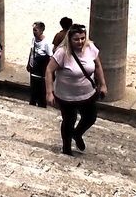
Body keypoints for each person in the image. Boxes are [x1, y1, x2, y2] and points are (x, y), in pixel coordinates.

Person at [46, 23, 108, 155]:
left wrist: (103, 84)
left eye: (82, 38)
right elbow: (49, 70)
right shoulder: (62, 52)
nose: (80, 41)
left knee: (90, 117)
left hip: (88, 93)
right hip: (66, 96)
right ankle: (66, 148)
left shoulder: (90, 47)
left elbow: (97, 66)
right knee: (69, 120)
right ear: (70, 39)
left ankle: (77, 134)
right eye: (76, 39)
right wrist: (49, 92)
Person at [26, 21, 53, 107]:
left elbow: (50, 57)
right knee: (33, 89)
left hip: (41, 71)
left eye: (35, 30)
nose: (34, 32)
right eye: (33, 30)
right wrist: (29, 63)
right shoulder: (34, 40)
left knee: (41, 91)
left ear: (41, 31)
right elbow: (31, 51)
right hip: (34, 69)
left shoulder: (46, 43)